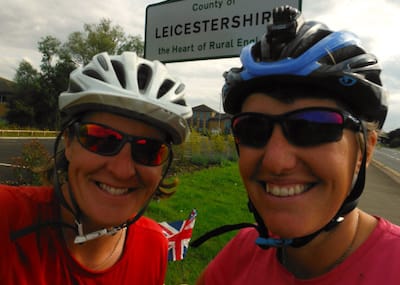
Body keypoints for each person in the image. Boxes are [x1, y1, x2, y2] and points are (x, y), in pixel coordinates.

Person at [195, 5, 400, 284]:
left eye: (314, 127)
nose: (276, 161)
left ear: (366, 150)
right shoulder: (234, 259)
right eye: (254, 129)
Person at [0, 51, 192, 284]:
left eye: (149, 150)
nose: (122, 170)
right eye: (102, 138)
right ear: (69, 142)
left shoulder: (154, 247)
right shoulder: (7, 215)